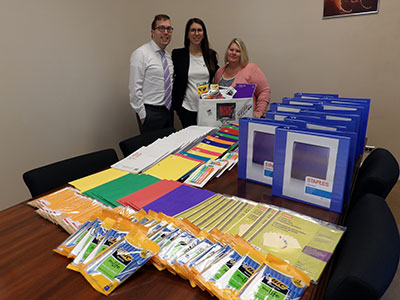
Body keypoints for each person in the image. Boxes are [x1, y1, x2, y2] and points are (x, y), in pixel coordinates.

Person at [129, 14, 174, 134]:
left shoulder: (168, 57)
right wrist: (143, 115)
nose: (166, 32)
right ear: (152, 32)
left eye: (169, 29)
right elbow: (134, 88)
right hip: (150, 113)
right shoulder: (140, 54)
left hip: (168, 111)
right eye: (161, 28)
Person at [171, 18, 219, 128]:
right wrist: (178, 108)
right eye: (192, 30)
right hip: (186, 108)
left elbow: (217, 76)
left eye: (199, 30)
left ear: (204, 34)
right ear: (187, 34)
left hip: (207, 106)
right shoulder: (178, 55)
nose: (196, 34)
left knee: (207, 138)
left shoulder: (210, 55)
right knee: (191, 139)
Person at [214, 38, 271, 118]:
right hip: (222, 119)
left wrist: (259, 112)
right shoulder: (219, 72)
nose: (234, 53)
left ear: (242, 54)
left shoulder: (251, 69)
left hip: (244, 119)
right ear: (227, 51)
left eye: (238, 51)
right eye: (231, 50)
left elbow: (264, 91)